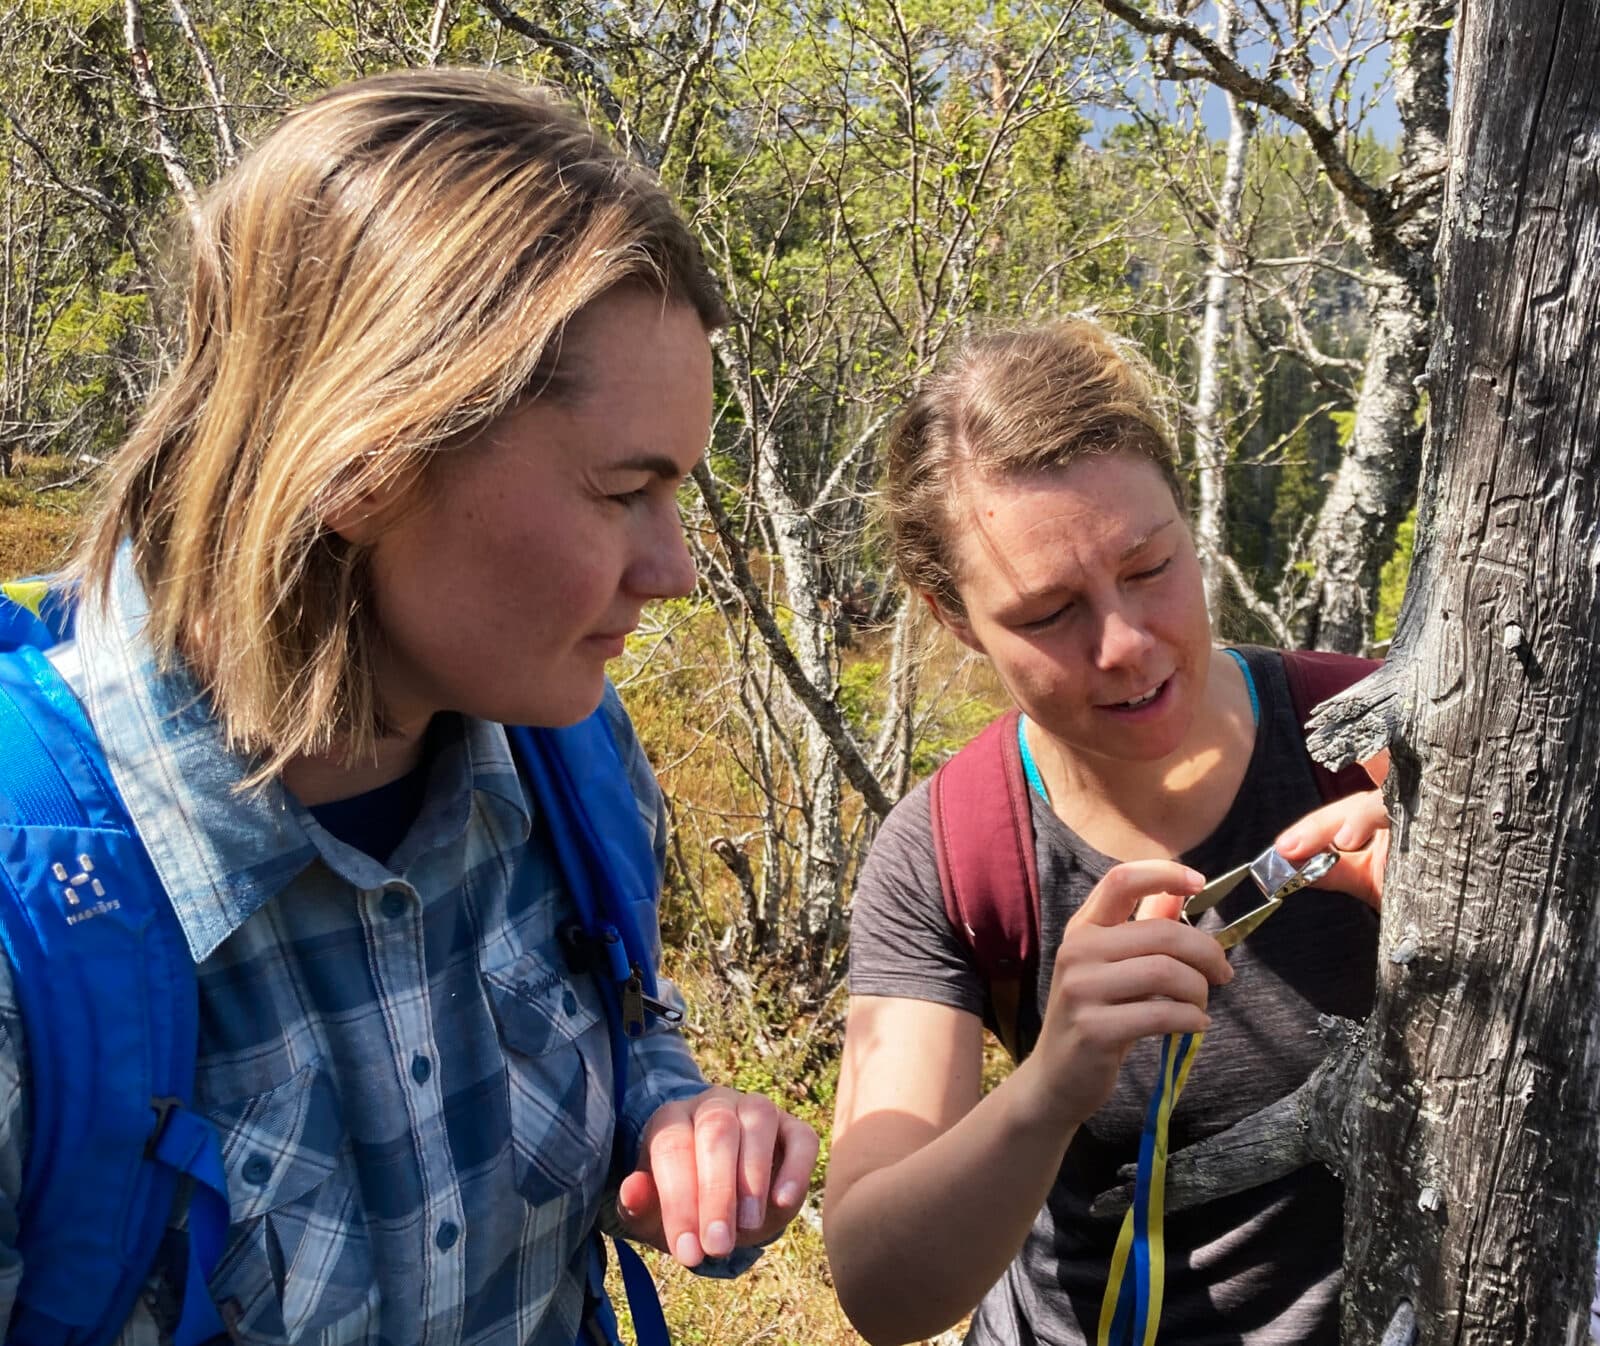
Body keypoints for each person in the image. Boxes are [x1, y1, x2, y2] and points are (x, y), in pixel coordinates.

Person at [0, 70, 818, 1344]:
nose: (673, 569)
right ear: (365, 460)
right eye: (622, 492)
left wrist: (672, 1115)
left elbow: (622, 1019)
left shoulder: (568, 753)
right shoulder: (31, 919)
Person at [823, 318, 1391, 1346]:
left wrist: (1462, 913)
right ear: (953, 616)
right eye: (1047, 615)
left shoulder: (1374, 737)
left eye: (1149, 566)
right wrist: (1048, 1088)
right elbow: (879, 1286)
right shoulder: (949, 848)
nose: (1123, 644)